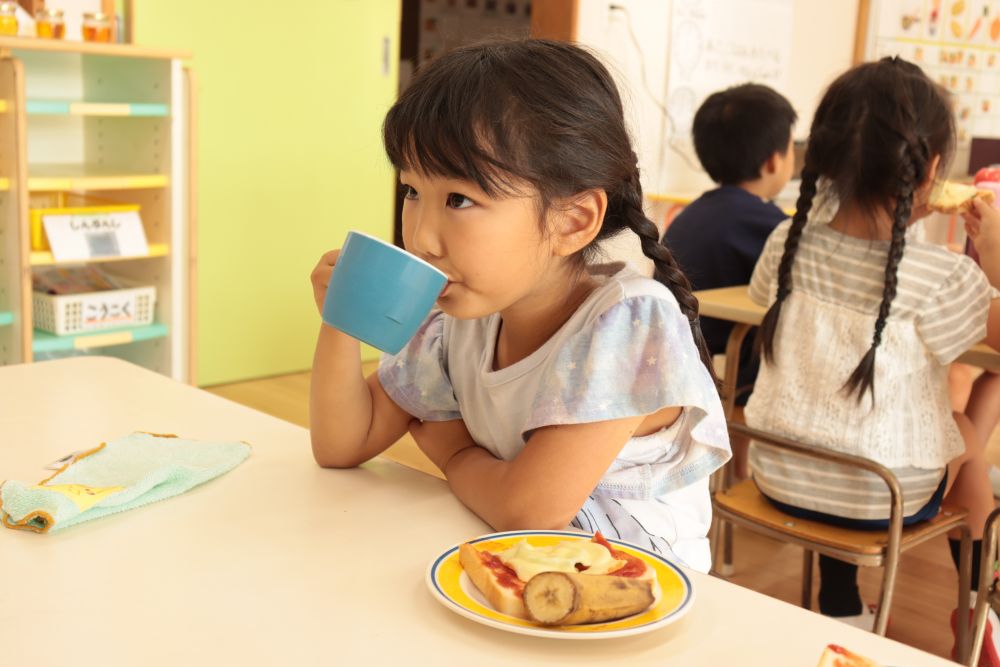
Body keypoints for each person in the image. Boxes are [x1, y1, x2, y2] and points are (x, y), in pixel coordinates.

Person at [309, 39, 731, 572]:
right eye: (412, 191)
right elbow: (341, 444)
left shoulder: (627, 323)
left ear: (572, 221)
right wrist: (341, 321)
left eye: (459, 200)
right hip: (520, 577)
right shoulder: (459, 319)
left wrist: (456, 452)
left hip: (630, 604)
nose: (420, 237)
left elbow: (528, 508)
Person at [745, 56, 1000, 660]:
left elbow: (763, 294)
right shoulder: (942, 275)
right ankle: (982, 605)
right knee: (974, 424)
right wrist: (993, 255)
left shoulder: (786, 240)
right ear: (933, 169)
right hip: (884, 497)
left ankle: (841, 602)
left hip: (779, 472)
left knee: (854, 416)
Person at [663, 83, 797, 478]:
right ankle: (741, 475)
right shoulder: (770, 225)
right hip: (723, 360)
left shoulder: (691, 212)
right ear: (775, 161)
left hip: (684, 354)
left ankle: (736, 475)